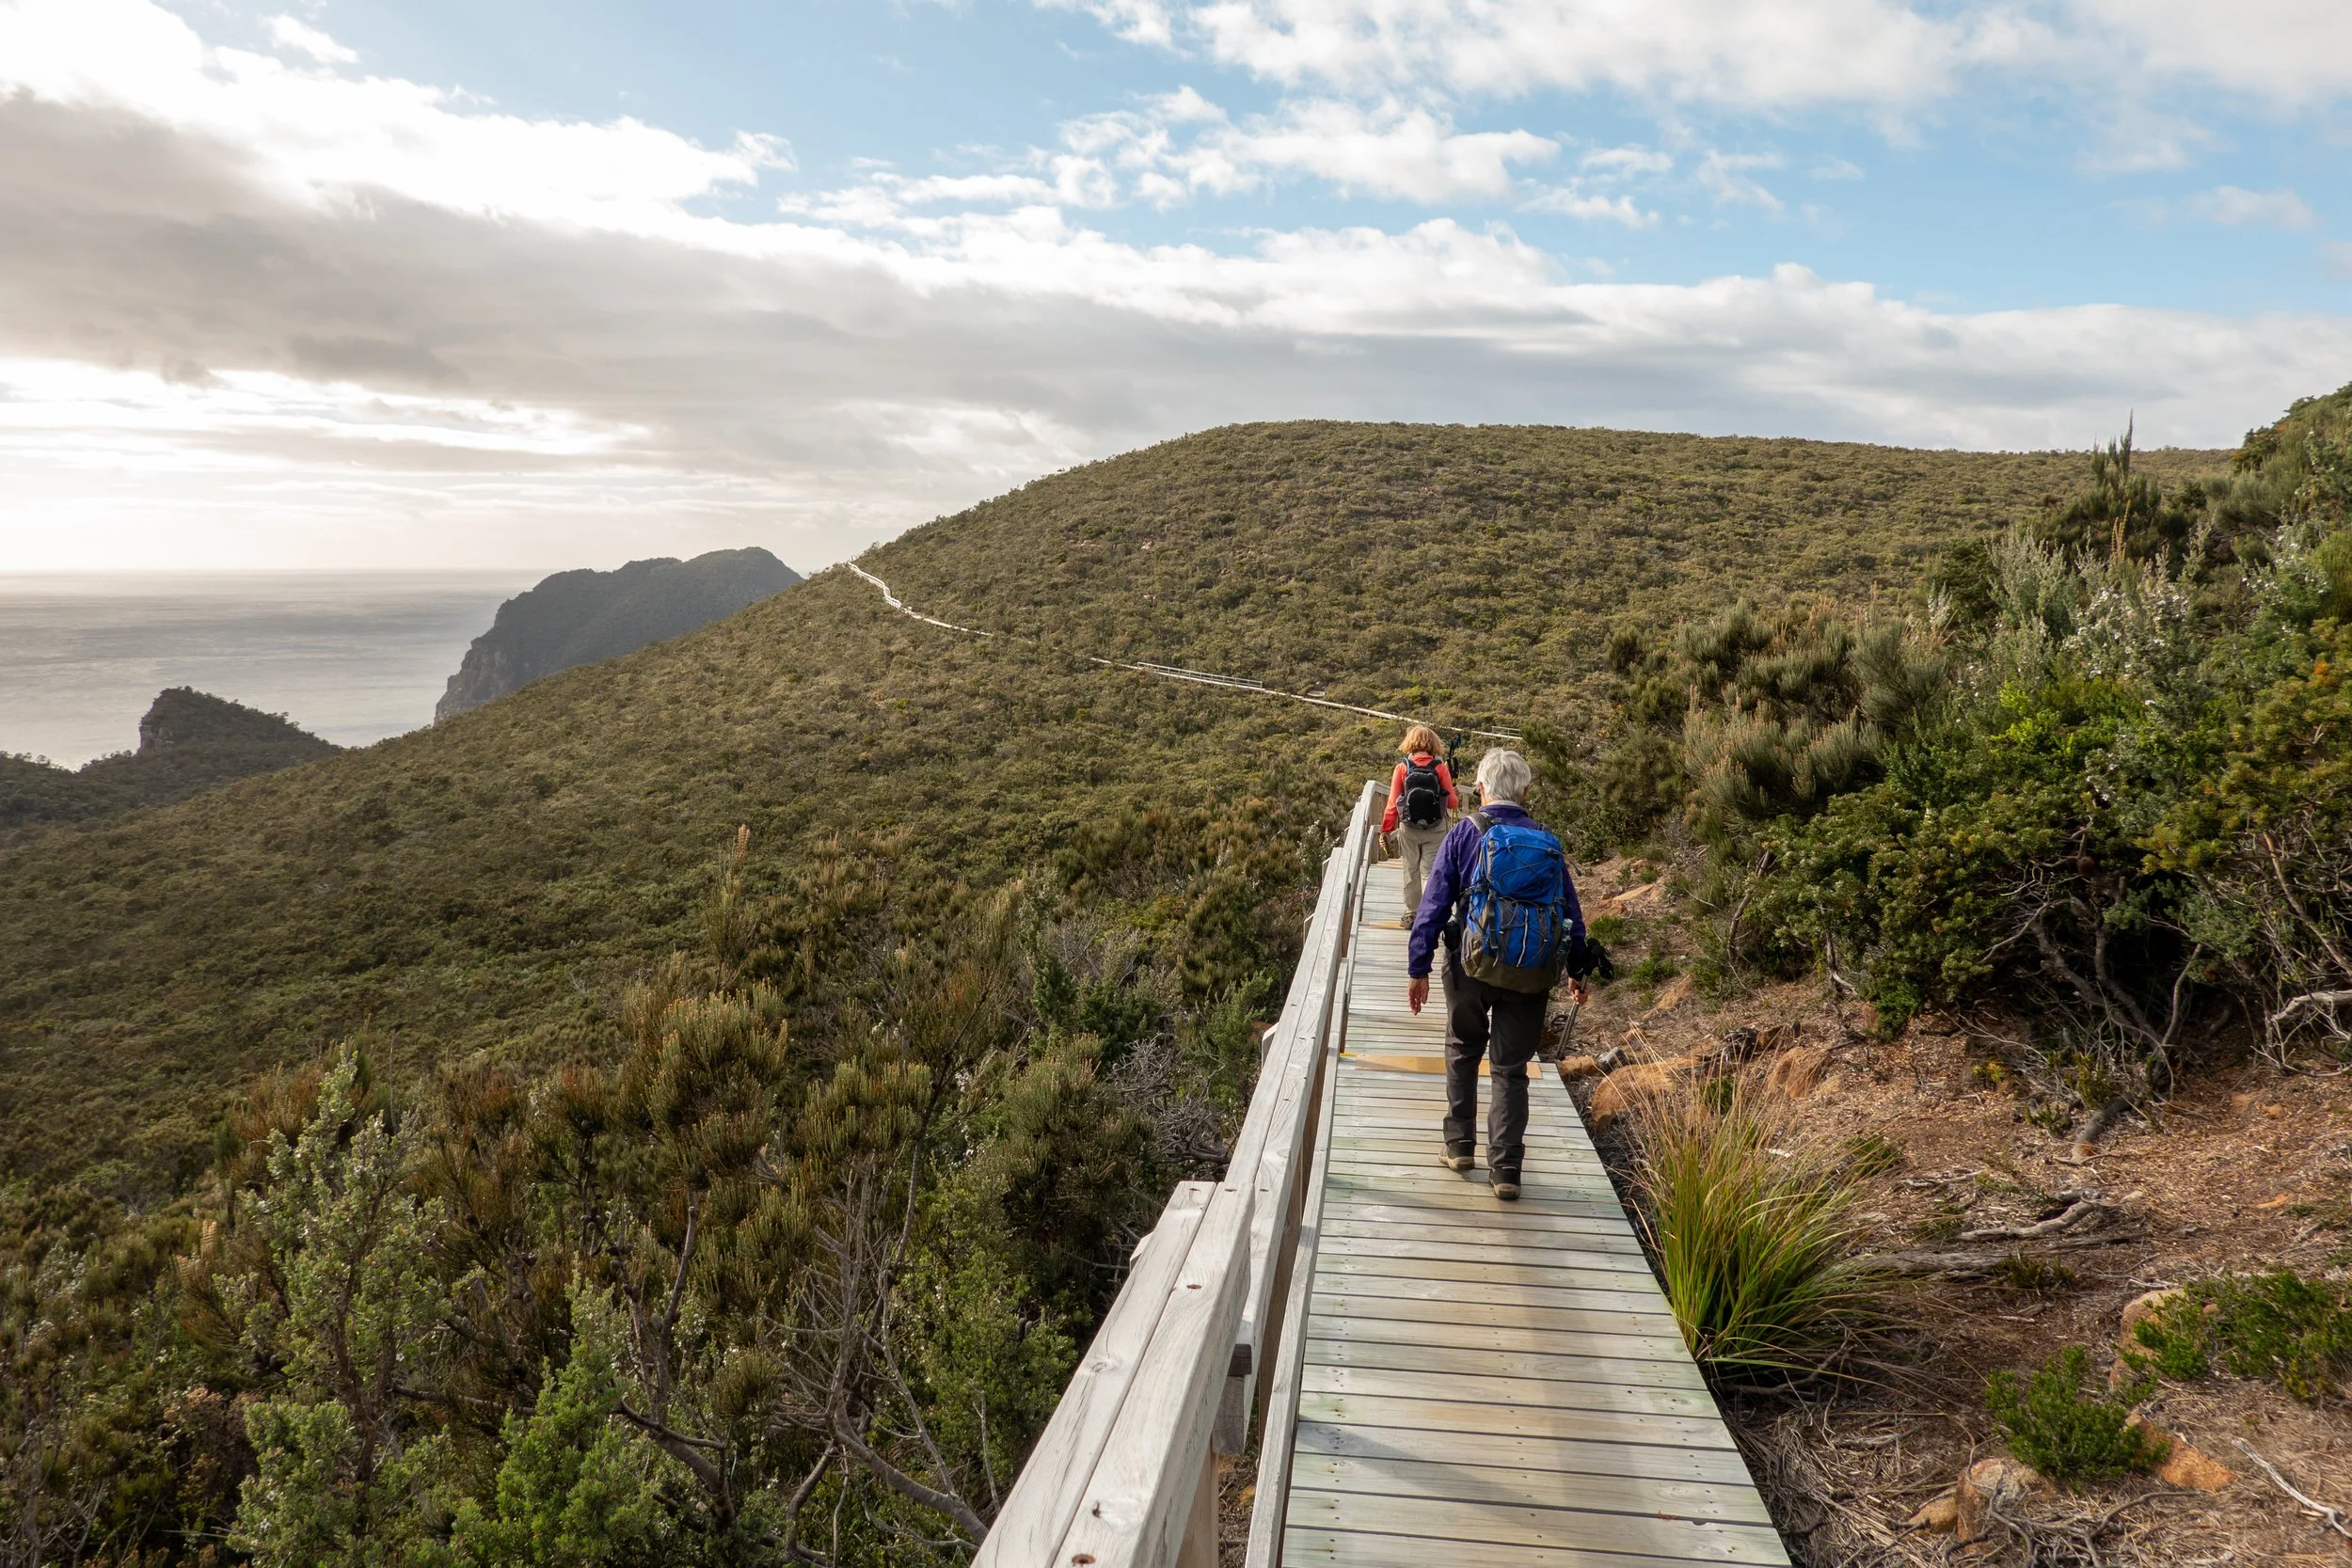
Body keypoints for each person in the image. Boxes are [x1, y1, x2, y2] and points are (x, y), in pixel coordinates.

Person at [1405, 748, 1586, 1201]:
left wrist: (1418, 967)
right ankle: (1506, 1168)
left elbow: (1433, 904)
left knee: (1463, 1048)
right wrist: (1578, 969)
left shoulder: (1465, 833)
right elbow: (1569, 911)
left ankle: (1459, 1146)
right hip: (1530, 969)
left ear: (1482, 788)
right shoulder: (1546, 841)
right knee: (1510, 1069)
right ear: (1525, 792)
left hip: (1471, 964)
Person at [1380, 724, 1458, 924]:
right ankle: (1430, 914)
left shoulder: (1402, 768)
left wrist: (1386, 829)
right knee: (1430, 872)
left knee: (1410, 869)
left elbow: (1392, 803)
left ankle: (1411, 914)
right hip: (1436, 828)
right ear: (1433, 744)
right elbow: (1452, 803)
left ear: (1410, 743)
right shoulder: (1440, 768)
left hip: (1409, 827)